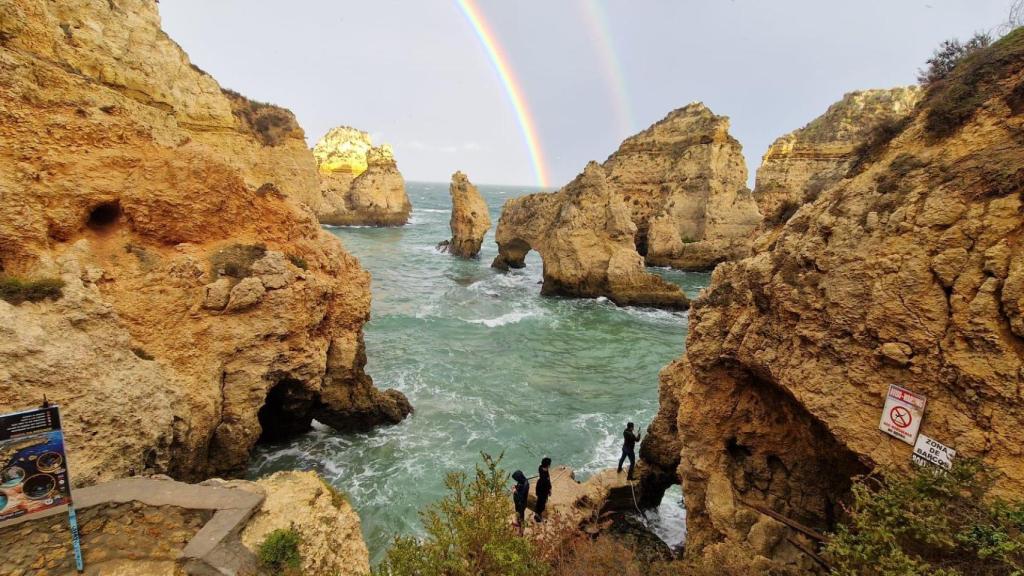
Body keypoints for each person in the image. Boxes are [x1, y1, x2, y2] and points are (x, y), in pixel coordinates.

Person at [511, 470, 529, 534]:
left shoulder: (525, 484)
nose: (516, 480)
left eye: (516, 479)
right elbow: (519, 487)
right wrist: (515, 486)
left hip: (521, 503)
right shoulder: (521, 481)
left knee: (521, 517)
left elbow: (521, 496)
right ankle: (518, 525)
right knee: (518, 514)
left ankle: (521, 531)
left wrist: (515, 491)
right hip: (518, 503)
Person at [534, 457, 552, 522]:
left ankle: (537, 514)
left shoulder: (541, 468)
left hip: (540, 487)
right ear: (547, 465)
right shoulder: (544, 477)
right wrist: (549, 490)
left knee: (540, 502)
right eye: (549, 464)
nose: (550, 465)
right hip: (542, 490)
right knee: (541, 503)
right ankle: (538, 516)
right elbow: (547, 483)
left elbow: (548, 480)